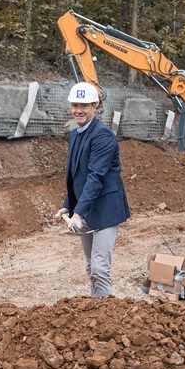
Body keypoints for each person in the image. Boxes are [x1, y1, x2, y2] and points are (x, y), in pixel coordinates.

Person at [54, 82, 130, 297]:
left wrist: (77, 213)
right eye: (75, 105)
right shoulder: (75, 134)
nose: (78, 110)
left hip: (105, 210)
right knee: (90, 266)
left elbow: (95, 177)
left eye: (84, 105)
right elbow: (77, 176)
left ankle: (106, 312)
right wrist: (67, 206)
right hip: (85, 208)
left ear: (94, 106)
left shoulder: (103, 136)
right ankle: (95, 309)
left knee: (99, 267)